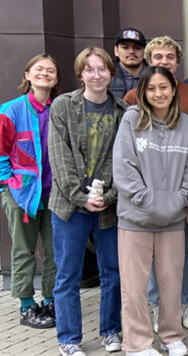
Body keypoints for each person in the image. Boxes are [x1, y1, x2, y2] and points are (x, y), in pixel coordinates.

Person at [113, 66, 188, 356]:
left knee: (171, 283)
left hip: (173, 219)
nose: (158, 93)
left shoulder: (187, 125)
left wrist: (179, 201)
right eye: (151, 89)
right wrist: (148, 200)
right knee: (135, 286)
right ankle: (137, 344)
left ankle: (172, 336)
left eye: (163, 87)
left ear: (174, 89)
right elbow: (123, 168)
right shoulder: (131, 120)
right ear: (142, 93)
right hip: (135, 218)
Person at [48, 47, 128, 356]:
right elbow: (60, 154)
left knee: (113, 271)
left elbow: (122, 160)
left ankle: (110, 331)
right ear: (80, 74)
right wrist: (80, 197)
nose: (97, 75)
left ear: (111, 73)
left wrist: (108, 196)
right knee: (68, 273)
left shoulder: (121, 111)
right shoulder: (63, 106)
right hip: (70, 205)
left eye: (102, 69)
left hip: (108, 204)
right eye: (90, 69)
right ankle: (68, 339)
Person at [0, 54, 60, 330]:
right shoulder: (11, 110)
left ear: (56, 78)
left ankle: (52, 300)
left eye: (50, 70)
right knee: (23, 251)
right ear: (27, 75)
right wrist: (7, 187)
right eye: (38, 69)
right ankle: (27, 305)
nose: (44, 73)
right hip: (21, 194)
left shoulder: (60, 110)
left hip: (54, 194)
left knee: (57, 251)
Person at [124, 36, 188, 117]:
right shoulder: (133, 96)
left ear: (177, 62)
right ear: (150, 62)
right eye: (158, 57)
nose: (164, 62)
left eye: (170, 57)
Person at [111, 28, 147, 99]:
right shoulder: (107, 78)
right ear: (116, 50)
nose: (131, 51)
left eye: (137, 48)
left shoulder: (154, 76)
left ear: (144, 51)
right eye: (125, 47)